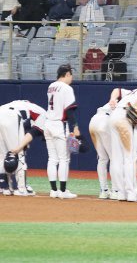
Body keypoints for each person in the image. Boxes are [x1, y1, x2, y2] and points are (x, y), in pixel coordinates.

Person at [44, 65, 80, 199]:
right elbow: (69, 110)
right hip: (59, 125)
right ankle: (63, 191)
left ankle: (53, 190)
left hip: (48, 124)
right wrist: (75, 126)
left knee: (52, 159)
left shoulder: (50, 86)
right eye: (71, 75)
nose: (72, 78)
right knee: (64, 159)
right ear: (66, 74)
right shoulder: (67, 88)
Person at [0, 99, 47, 196]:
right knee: (19, 154)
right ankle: (22, 189)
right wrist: (20, 147)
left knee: (3, 154)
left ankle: (5, 187)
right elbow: (31, 133)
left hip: (2, 111)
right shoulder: (45, 116)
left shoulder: (29, 107)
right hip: (12, 116)